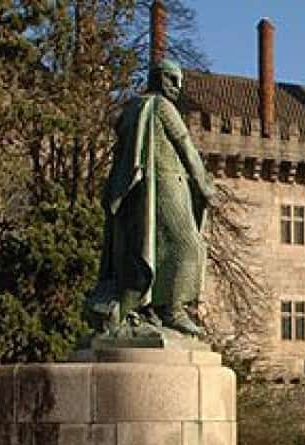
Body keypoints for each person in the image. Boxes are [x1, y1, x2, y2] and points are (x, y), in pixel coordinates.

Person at [88, 58, 214, 337]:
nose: (177, 87)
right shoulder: (162, 108)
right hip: (166, 184)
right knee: (189, 246)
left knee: (148, 250)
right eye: (172, 79)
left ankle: (150, 308)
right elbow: (185, 146)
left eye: (179, 81)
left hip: (137, 191)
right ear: (157, 78)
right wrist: (204, 184)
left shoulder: (131, 109)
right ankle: (173, 310)